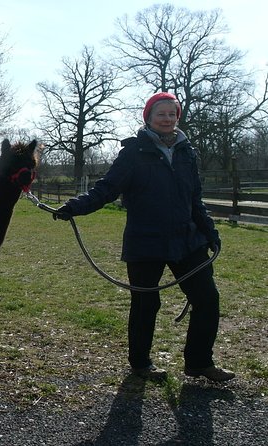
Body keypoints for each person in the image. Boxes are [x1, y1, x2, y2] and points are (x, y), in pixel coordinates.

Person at [53, 92, 235, 382]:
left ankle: (199, 362)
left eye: (172, 113)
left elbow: (195, 198)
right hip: (145, 241)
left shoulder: (187, 153)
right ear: (148, 117)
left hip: (187, 241)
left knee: (207, 299)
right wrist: (75, 207)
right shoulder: (134, 153)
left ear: (178, 117)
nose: (167, 119)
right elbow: (107, 189)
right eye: (160, 114)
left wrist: (209, 232)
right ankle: (140, 364)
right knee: (145, 304)